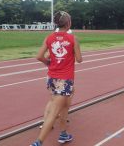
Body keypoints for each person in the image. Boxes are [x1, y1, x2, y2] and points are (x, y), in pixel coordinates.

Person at [31, 11, 83, 146]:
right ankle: (38, 142)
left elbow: (39, 56)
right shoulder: (73, 39)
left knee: (65, 105)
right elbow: (79, 59)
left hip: (51, 78)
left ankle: (63, 134)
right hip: (64, 79)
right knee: (55, 112)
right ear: (69, 23)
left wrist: (48, 62)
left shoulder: (49, 38)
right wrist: (73, 49)